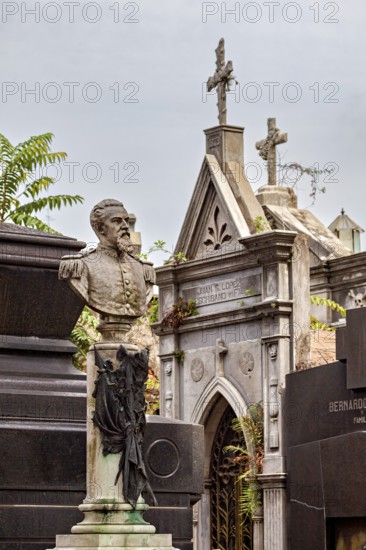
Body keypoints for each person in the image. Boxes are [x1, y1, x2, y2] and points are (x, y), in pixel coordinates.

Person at [59, 199, 155, 322]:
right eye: (117, 221)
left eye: (126, 220)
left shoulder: (143, 269)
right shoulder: (81, 265)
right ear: (100, 228)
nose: (125, 226)